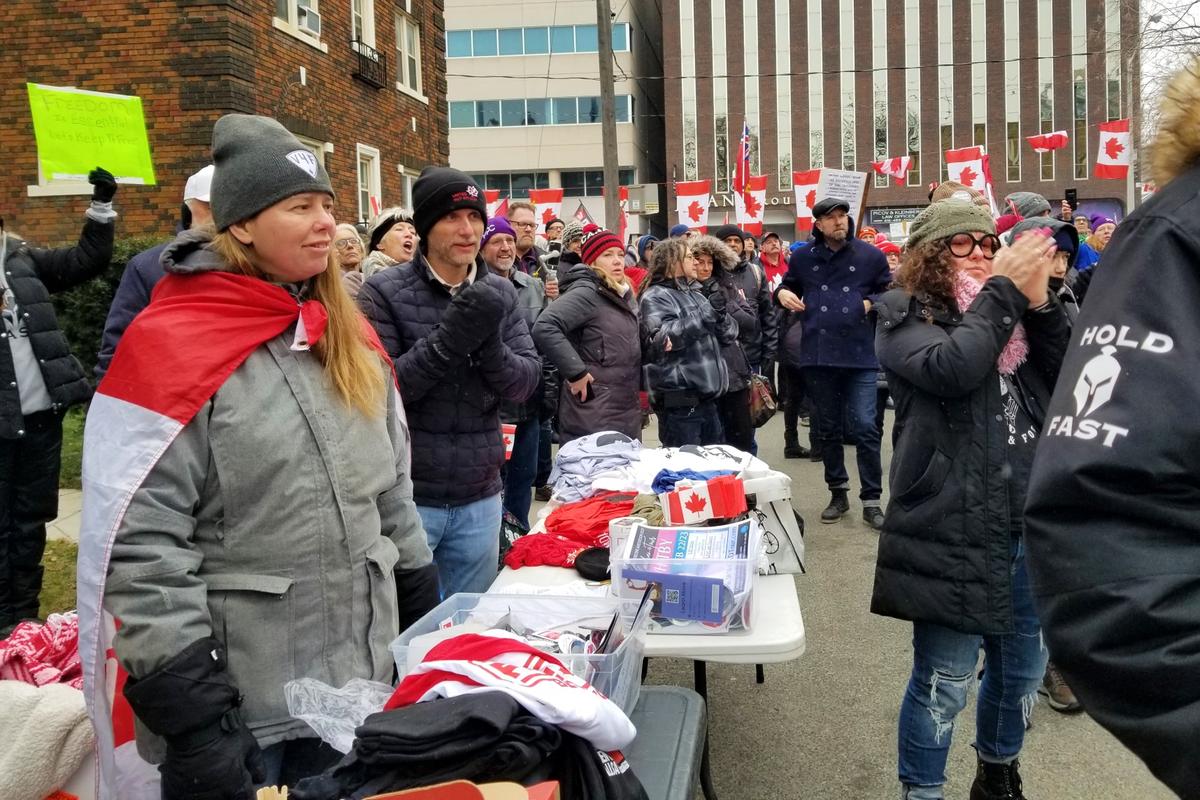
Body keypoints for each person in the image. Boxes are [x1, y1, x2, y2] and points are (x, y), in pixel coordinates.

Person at [88, 114, 439, 795]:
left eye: (328, 206)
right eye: (299, 207)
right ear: (241, 223)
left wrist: (420, 606)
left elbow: (390, 489)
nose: (324, 223)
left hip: (354, 687)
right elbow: (144, 544)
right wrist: (195, 720)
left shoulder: (345, 332)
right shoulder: (171, 341)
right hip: (242, 704)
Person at [1023, 58, 1200, 799]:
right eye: (959, 246)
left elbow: (1063, 357)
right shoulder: (1172, 236)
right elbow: (1105, 523)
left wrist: (1047, 309)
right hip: (988, 494)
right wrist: (1014, 301)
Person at [871, 199, 1068, 800]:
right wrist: (1005, 290)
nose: (982, 252)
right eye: (964, 243)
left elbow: (1076, 379)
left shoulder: (1017, 310)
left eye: (989, 242)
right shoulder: (903, 314)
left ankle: (998, 774)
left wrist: (1040, 304)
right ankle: (923, 791)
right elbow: (954, 369)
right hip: (951, 521)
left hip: (1026, 521)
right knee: (945, 681)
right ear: (931, 253)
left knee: (1020, 676)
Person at [359, 167, 540, 596]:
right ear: (425, 226)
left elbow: (524, 383)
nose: (467, 230)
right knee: (407, 631)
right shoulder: (383, 292)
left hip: (480, 491)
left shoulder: (500, 290)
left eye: (475, 217)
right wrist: (450, 338)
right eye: (451, 217)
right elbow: (383, 392)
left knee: (464, 626)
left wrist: (488, 343)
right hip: (410, 497)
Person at [1, 168, 116, 637]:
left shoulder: (19, 258)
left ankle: (19, 619)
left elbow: (84, 261)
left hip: (40, 417)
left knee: (30, 519)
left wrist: (102, 205)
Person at [776, 198, 890, 529]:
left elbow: (891, 293)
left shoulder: (870, 256)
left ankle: (871, 499)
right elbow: (788, 285)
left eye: (843, 215)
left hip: (859, 354)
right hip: (818, 354)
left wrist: (869, 302)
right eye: (831, 217)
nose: (839, 221)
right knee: (827, 428)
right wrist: (782, 294)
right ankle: (837, 492)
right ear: (819, 224)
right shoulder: (802, 258)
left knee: (866, 427)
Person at [96, 165, 211, 378]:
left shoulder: (264, 262)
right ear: (189, 209)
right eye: (210, 207)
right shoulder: (148, 266)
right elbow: (119, 345)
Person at [533, 226, 641, 444]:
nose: (618, 261)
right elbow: (545, 326)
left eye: (620, 254)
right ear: (592, 261)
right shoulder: (587, 291)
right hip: (593, 410)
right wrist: (576, 372)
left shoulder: (623, 293)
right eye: (608, 255)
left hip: (626, 407)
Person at [481, 216, 551, 528]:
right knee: (492, 485)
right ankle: (495, 542)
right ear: (482, 249)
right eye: (497, 241)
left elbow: (546, 343)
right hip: (493, 409)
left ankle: (518, 537)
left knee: (523, 480)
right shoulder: (475, 289)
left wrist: (548, 395)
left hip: (530, 405)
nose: (506, 247)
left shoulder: (534, 287)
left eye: (510, 240)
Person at [639, 237, 736, 446]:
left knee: (712, 469)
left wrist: (720, 312)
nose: (696, 262)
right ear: (672, 262)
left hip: (708, 399)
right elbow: (664, 338)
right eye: (690, 257)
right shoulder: (655, 296)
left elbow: (729, 334)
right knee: (685, 471)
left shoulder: (696, 292)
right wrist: (709, 313)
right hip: (681, 403)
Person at [691, 235, 756, 452]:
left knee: (741, 440)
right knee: (711, 445)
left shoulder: (726, 285)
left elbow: (749, 323)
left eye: (710, 262)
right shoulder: (679, 292)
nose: (705, 268)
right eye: (700, 262)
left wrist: (722, 301)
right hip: (702, 377)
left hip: (733, 372)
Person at [361, 207, 418, 279]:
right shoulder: (358, 279)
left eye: (413, 232)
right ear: (379, 244)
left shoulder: (425, 276)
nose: (409, 234)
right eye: (399, 229)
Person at [506, 200, 543, 275]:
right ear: (508, 225)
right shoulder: (496, 260)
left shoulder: (547, 260)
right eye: (522, 224)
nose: (528, 229)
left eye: (532, 225)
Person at [334, 223, 367, 298]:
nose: (350, 245)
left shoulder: (371, 278)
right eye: (341, 243)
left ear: (361, 250)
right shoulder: (331, 287)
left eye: (353, 241)